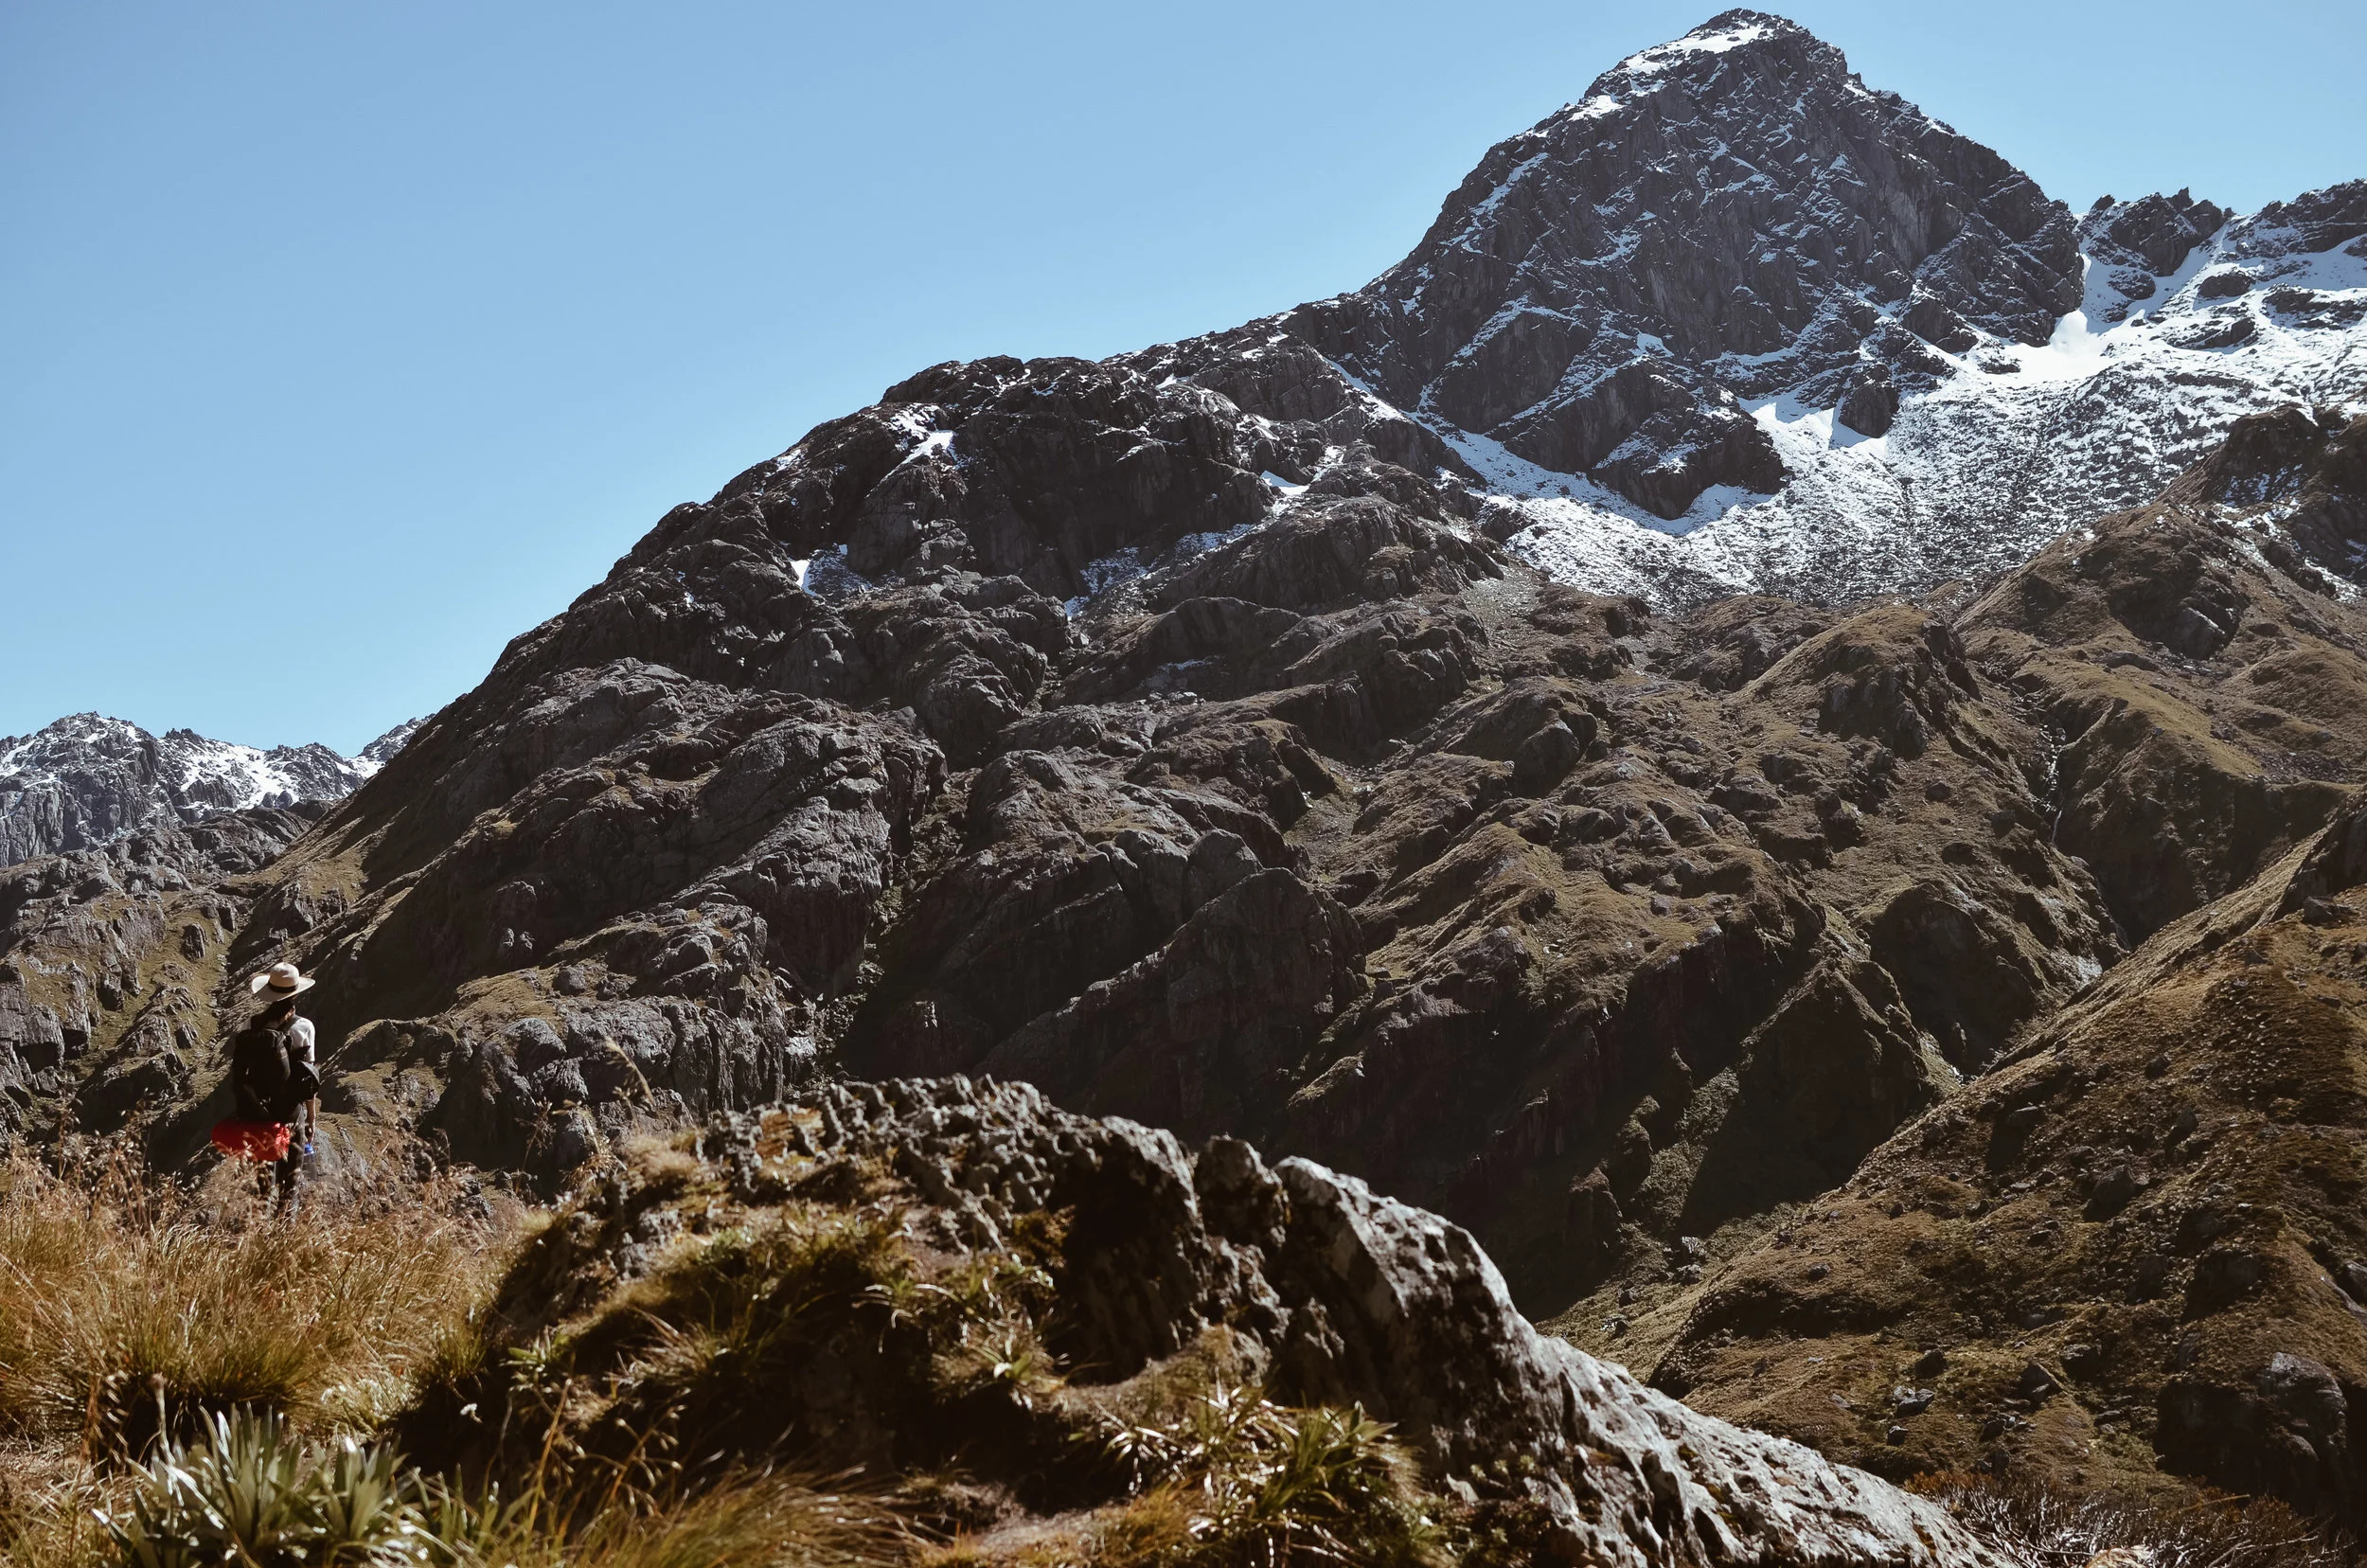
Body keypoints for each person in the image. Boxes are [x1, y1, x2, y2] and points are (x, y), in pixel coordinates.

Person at [230, 962, 321, 1211]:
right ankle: (284, 1238)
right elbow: (308, 1079)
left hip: (257, 1113)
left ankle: (258, 1236)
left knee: (261, 1186)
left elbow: (243, 1072)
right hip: (290, 1113)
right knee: (289, 1186)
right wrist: (310, 1118)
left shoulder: (250, 1025)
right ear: (296, 993)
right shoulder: (304, 1028)